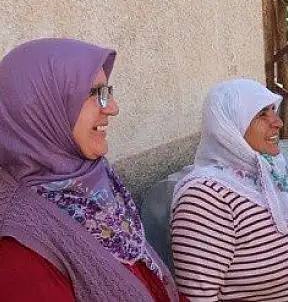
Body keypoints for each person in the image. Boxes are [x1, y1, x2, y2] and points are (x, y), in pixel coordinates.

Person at [0, 38, 181, 301]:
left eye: (107, 91)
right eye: (95, 93)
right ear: (39, 109)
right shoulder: (19, 250)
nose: (113, 108)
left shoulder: (93, 182)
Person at [171, 79, 288, 302]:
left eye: (273, 110)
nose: (278, 122)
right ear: (229, 128)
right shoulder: (205, 198)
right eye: (262, 114)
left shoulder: (264, 179)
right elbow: (198, 297)